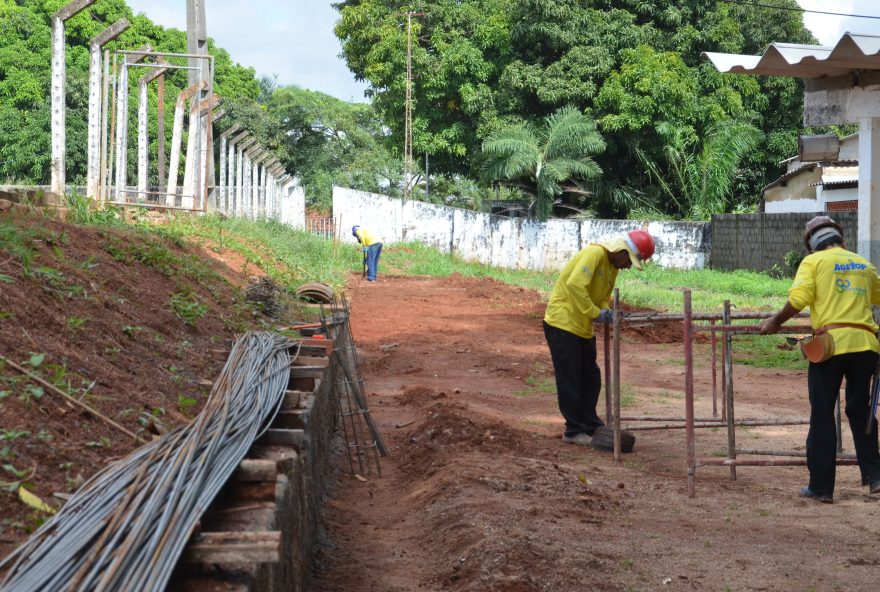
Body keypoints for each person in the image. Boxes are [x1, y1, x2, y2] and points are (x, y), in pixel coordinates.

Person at [760, 215, 880, 503]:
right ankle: (876, 479)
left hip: (830, 345)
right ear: (841, 239)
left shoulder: (813, 263)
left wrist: (776, 321)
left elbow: (799, 299)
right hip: (865, 344)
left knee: (823, 412)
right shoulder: (864, 264)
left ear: (811, 245)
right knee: (860, 410)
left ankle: (821, 487)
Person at [543, 229, 655, 445]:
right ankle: (574, 430)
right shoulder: (594, 254)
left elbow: (603, 297)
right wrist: (595, 313)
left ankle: (590, 424)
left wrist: (606, 312)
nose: (628, 266)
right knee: (571, 379)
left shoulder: (612, 268)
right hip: (562, 322)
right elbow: (575, 285)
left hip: (582, 327)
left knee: (591, 378)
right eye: (628, 260)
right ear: (621, 251)